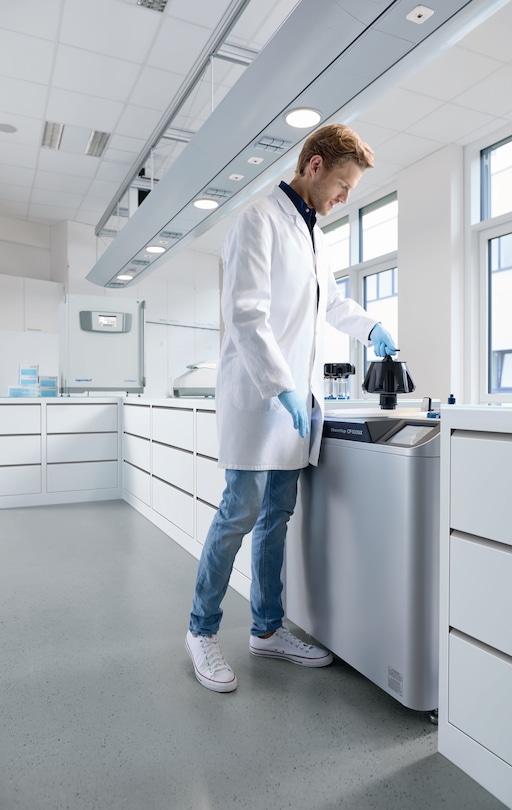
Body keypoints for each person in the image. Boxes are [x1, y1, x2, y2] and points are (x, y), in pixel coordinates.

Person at [185, 123, 396, 692]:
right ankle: (201, 631)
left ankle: (267, 629)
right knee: (239, 514)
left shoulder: (313, 234)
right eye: (343, 185)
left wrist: (371, 325)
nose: (344, 197)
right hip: (259, 402)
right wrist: (279, 387)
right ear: (314, 165)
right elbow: (248, 315)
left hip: (294, 409)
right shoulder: (258, 220)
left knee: (276, 519)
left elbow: (329, 303)